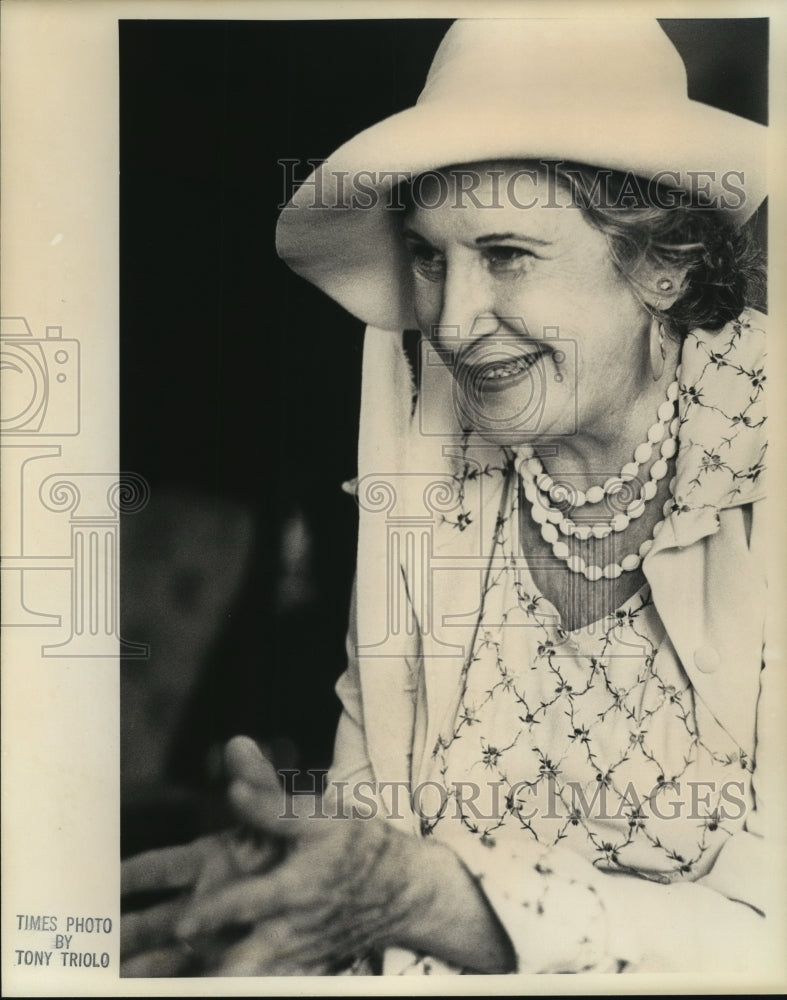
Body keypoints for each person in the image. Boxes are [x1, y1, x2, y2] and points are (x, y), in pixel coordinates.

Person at [121, 17, 779, 977]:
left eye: (506, 253)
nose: (452, 323)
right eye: (429, 257)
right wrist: (291, 896)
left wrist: (431, 899)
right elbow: (372, 802)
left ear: (661, 263)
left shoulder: (759, 454)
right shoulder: (425, 426)